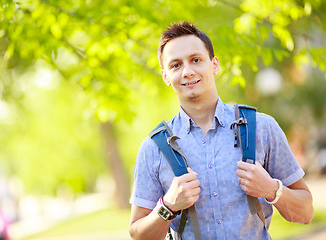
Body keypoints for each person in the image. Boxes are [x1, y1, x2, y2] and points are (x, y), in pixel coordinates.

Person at [128, 21, 314, 240]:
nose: (188, 71)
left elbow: (306, 212)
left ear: (214, 64)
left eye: (196, 60)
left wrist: (272, 189)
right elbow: (138, 234)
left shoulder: (262, 128)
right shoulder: (153, 148)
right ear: (166, 76)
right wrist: (168, 206)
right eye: (175, 65)